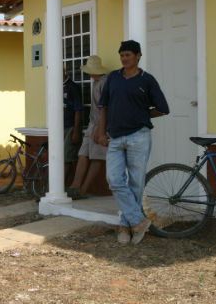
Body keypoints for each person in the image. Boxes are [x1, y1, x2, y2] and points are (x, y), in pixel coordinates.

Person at [95, 40, 169, 245]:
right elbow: (104, 107)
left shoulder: (148, 80)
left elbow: (163, 108)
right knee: (114, 179)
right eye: (122, 55)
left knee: (136, 183)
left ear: (138, 56)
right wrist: (101, 132)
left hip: (139, 136)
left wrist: (142, 116)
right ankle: (138, 221)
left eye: (128, 55)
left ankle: (125, 226)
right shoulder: (113, 78)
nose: (124, 58)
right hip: (115, 137)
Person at [66, 56, 109, 199]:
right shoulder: (97, 82)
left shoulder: (104, 83)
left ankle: (83, 190)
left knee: (97, 157)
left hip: (101, 125)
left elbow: (106, 108)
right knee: (83, 153)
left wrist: (101, 129)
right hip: (92, 124)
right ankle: (75, 186)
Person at [63, 67, 83, 182]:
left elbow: (78, 110)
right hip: (59, 128)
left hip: (70, 127)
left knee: (67, 158)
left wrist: (75, 131)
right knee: (60, 158)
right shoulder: (55, 86)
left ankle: (61, 186)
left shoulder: (72, 87)